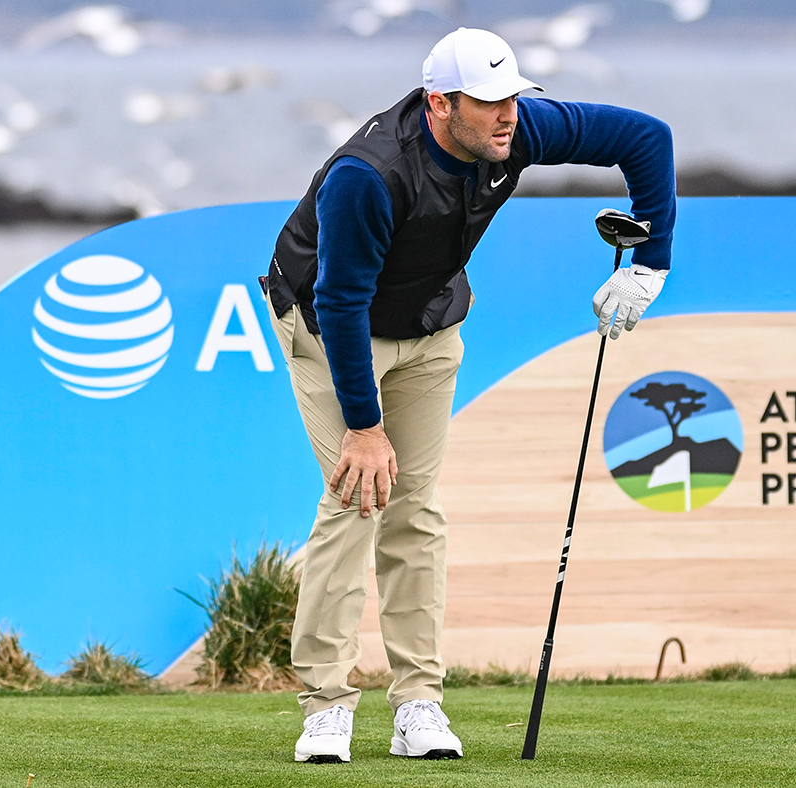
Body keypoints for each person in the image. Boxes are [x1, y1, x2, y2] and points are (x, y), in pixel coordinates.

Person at [261, 27, 676, 764]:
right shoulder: (372, 173)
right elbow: (342, 301)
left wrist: (651, 264)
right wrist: (364, 427)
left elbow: (646, 138)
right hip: (330, 328)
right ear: (439, 103)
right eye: (487, 103)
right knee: (358, 497)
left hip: (429, 323)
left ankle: (417, 703)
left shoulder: (512, 131)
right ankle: (326, 705)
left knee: (415, 507)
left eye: (513, 97)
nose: (507, 115)